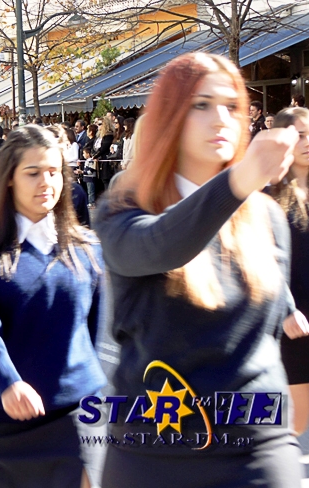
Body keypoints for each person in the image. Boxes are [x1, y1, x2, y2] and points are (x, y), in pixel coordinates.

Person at [94, 52, 303, 487]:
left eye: (232, 106)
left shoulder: (267, 215)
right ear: (169, 116)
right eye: (201, 104)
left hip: (256, 452)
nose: (221, 119)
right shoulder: (123, 206)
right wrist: (239, 181)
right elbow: (159, 246)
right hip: (152, 452)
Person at [0, 125, 105, 488]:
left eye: (54, 172)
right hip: (1, 421)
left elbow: (91, 330)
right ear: (9, 178)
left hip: (76, 417)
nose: (46, 182)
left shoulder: (87, 248)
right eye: (33, 172)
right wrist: (7, 383)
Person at [266, 107, 309, 435]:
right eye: (301, 135)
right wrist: (284, 309)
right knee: (295, 423)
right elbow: (259, 262)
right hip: (294, 324)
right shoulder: (267, 197)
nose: (308, 142)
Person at [93, 116, 115, 190]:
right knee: (102, 182)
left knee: (106, 182)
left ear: (105, 125)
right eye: (97, 124)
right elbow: (95, 147)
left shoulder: (109, 135)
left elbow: (103, 148)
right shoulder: (99, 136)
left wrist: (95, 156)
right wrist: (94, 154)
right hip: (101, 161)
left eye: (100, 124)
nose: (98, 126)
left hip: (106, 161)